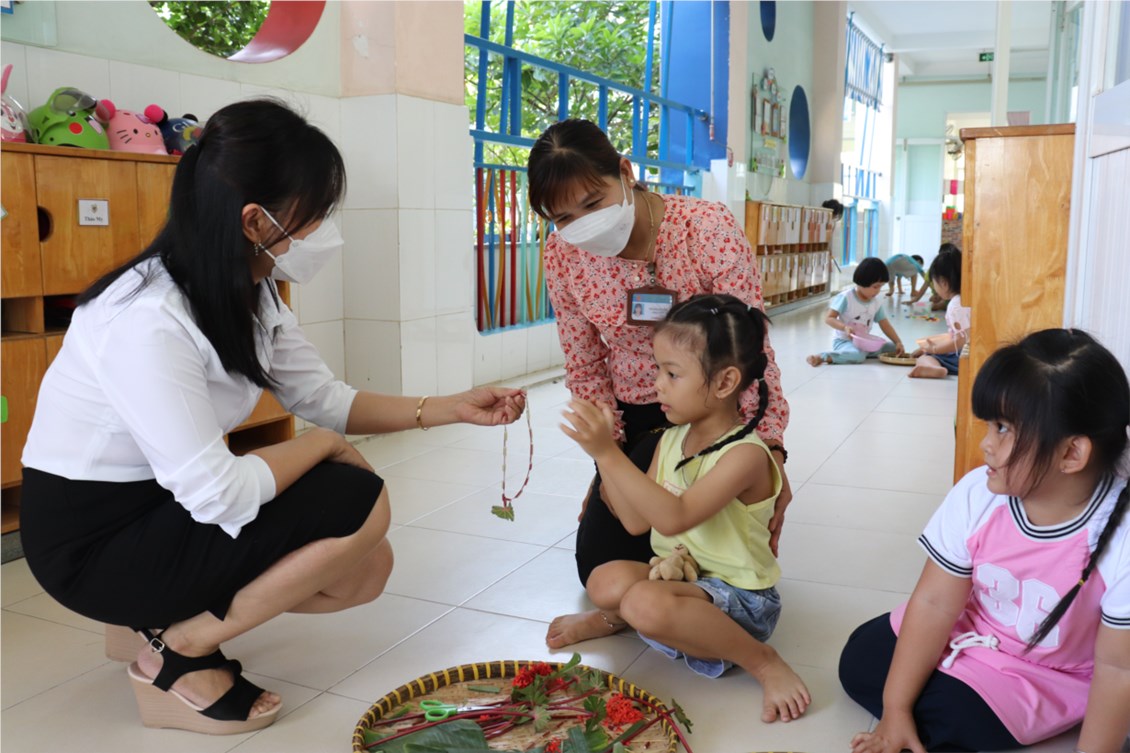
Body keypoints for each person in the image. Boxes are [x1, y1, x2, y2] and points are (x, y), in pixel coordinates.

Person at [18, 99, 525, 735]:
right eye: (314, 215)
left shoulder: (247, 289)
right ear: (255, 220)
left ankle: (149, 620)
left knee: (365, 569)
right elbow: (218, 492)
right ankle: (180, 649)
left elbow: (324, 398)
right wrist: (321, 447)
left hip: (160, 504)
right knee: (358, 498)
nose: (322, 232)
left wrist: (449, 407)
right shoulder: (148, 319)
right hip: (92, 541)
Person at [526, 119, 792, 649]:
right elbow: (585, 365)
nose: (582, 226)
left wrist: (769, 449)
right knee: (599, 571)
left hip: (712, 410)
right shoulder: (563, 255)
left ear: (626, 173)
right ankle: (653, 599)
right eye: (563, 218)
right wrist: (609, 462)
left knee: (702, 533)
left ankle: (705, 595)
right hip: (634, 418)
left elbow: (751, 350)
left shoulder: (704, 227)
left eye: (593, 203)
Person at [839, 328, 1130, 753]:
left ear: (1071, 454)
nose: (986, 445)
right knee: (860, 658)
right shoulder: (979, 492)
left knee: (959, 717)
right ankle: (933, 700)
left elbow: (1118, 668)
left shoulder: (1121, 535)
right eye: (991, 424)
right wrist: (895, 709)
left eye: (1004, 429)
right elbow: (934, 603)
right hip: (973, 630)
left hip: (1045, 672)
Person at [560, 294, 811, 724]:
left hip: (741, 599)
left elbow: (674, 517)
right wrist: (605, 457)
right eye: (658, 369)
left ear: (725, 382)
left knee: (643, 602)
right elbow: (637, 522)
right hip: (686, 578)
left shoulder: (745, 455)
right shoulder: (671, 438)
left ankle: (762, 660)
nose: (657, 384)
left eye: (672, 373)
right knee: (604, 580)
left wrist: (608, 452)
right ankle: (618, 617)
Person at [807, 257, 906, 366]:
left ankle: (858, 353)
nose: (878, 291)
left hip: (864, 343)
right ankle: (823, 356)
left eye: (881, 287)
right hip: (844, 341)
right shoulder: (846, 297)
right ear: (862, 281)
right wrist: (844, 327)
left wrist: (898, 342)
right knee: (858, 356)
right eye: (875, 287)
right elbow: (829, 318)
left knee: (892, 347)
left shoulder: (875, 302)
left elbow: (885, 324)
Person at [908, 249, 968, 379]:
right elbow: (959, 334)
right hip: (979, 354)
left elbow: (959, 341)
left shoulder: (955, 305)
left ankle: (933, 367)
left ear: (943, 283)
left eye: (934, 283)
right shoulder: (968, 300)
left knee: (926, 357)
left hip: (964, 357)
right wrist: (928, 345)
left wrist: (933, 350)